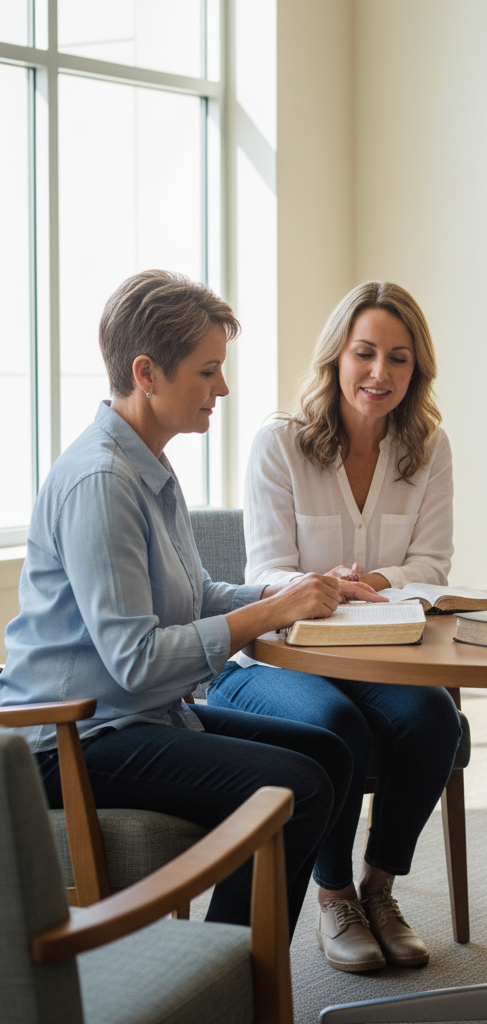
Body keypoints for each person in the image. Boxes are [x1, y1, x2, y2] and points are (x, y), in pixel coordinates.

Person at [0, 269, 372, 937]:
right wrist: (269, 614)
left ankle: (242, 976)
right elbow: (136, 661)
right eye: (207, 372)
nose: (222, 389)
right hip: (70, 742)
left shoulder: (148, 461)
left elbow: (194, 595)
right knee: (300, 783)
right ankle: (228, 972)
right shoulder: (102, 481)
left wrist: (291, 592)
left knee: (333, 757)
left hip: (131, 718)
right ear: (147, 373)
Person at [207, 281, 462, 973]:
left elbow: (432, 566)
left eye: (399, 358)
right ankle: (335, 895)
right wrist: (326, 588)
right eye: (365, 353)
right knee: (332, 725)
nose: (381, 374)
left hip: (378, 659)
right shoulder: (280, 443)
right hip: (275, 663)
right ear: (336, 358)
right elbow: (269, 571)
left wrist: (370, 583)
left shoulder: (428, 448)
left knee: (435, 718)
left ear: (417, 370)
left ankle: (381, 890)